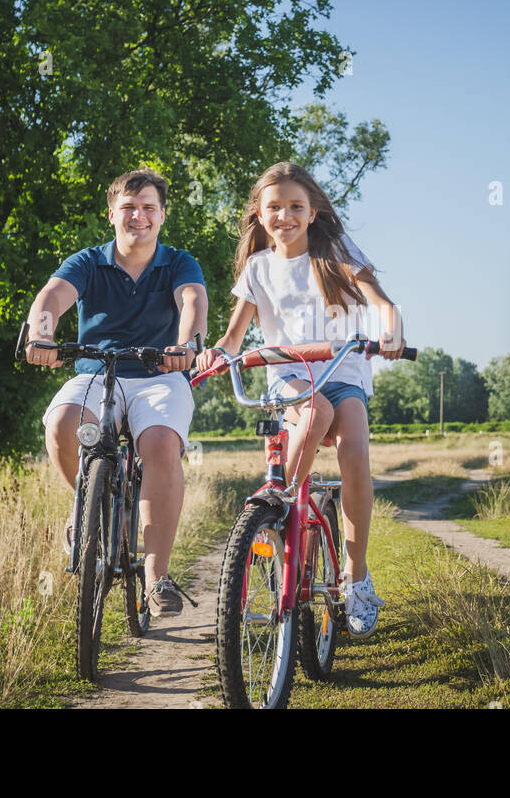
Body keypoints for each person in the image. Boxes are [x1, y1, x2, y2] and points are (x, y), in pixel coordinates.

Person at [196, 162, 405, 638]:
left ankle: (356, 575)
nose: (284, 215)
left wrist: (391, 331)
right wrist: (215, 356)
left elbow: (381, 301)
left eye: (295, 207)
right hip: (289, 373)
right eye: (274, 207)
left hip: (342, 369)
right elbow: (233, 336)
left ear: (312, 212)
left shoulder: (334, 250)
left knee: (354, 448)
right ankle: (277, 508)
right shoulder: (258, 267)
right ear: (259, 214)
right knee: (315, 412)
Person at [25, 167, 207, 617]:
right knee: (63, 423)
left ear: (162, 216)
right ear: (112, 214)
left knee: (161, 444)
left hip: (159, 375)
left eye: (148, 208)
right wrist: (42, 336)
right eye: (129, 208)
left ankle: (156, 575)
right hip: (98, 370)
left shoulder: (179, 261)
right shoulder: (88, 261)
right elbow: (52, 296)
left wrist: (185, 346)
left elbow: (193, 302)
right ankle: (85, 504)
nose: (138, 216)